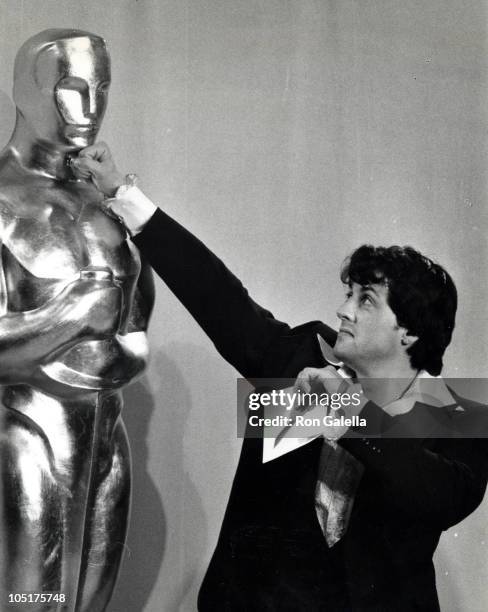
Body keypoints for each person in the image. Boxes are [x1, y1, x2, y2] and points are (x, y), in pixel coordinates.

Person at [73, 143, 488, 611]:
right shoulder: (301, 358)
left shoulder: (458, 414)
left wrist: (349, 411)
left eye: (365, 299)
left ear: (409, 331)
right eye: (348, 293)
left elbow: (440, 497)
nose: (342, 309)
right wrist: (123, 196)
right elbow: (218, 297)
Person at [0, 32, 153, 611]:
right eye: (69, 90)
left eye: (101, 90)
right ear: (25, 91)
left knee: (92, 603)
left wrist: (121, 354)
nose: (88, 111)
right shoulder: (2, 203)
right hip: (25, 436)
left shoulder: (103, 206)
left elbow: (135, 334)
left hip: (104, 434)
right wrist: (70, 320)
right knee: (29, 604)